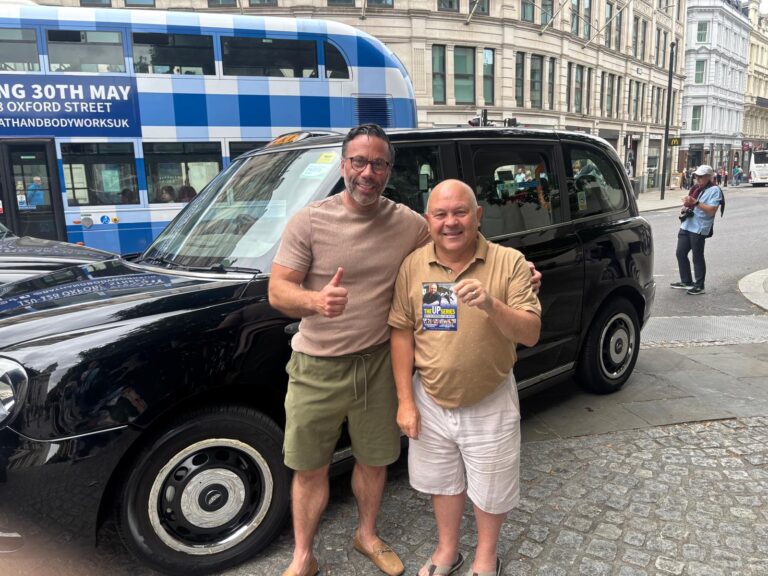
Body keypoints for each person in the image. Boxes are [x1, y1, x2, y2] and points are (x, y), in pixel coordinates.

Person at [268, 124, 542, 576]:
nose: (367, 172)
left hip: (376, 363)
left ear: (389, 171)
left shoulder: (408, 225)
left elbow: (459, 244)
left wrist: (518, 272)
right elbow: (278, 291)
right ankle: (303, 557)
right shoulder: (310, 220)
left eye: (378, 163)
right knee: (310, 465)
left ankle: (368, 535)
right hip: (317, 362)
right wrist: (316, 302)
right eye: (358, 161)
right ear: (343, 165)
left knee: (374, 459)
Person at [389, 179, 541, 576]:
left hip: (489, 397)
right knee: (443, 482)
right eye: (440, 214)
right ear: (428, 220)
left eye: (460, 213)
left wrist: (491, 304)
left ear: (477, 217)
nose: (450, 222)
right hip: (430, 398)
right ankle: (447, 551)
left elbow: (530, 332)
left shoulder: (508, 262)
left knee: (492, 486)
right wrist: (405, 400)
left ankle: (485, 557)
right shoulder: (414, 265)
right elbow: (402, 331)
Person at [670, 164, 723, 296]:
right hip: (687, 224)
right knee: (680, 253)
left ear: (709, 177)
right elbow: (688, 203)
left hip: (699, 227)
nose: (698, 179)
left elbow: (711, 211)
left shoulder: (714, 190)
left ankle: (699, 285)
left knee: (697, 256)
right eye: (697, 176)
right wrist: (685, 207)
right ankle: (686, 281)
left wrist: (696, 203)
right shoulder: (696, 188)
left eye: (701, 177)